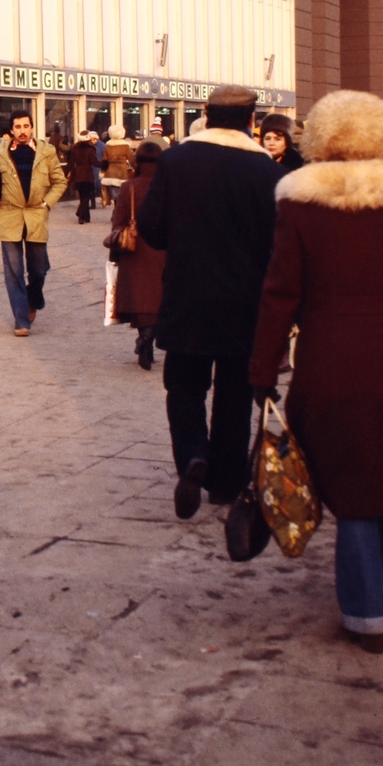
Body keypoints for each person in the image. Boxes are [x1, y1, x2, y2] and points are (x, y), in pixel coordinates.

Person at [249, 91, 383, 656]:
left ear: (317, 137)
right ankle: (376, 584)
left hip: (329, 359)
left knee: (349, 480)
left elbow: (279, 294)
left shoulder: (298, 207)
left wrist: (263, 369)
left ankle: (366, 608)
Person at [136, 85, 279, 516]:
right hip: (244, 303)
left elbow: (152, 229)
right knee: (235, 395)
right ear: (252, 120)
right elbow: (278, 244)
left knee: (183, 386)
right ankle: (225, 483)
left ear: (205, 114)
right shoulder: (266, 171)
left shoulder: (176, 160)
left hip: (186, 295)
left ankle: (193, 455)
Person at [0, 112, 67, 337]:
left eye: (26, 126)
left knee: (38, 268)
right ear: (11, 129)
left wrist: (47, 204)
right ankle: (21, 320)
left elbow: (60, 181)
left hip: (36, 215)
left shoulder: (46, 151)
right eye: (17, 127)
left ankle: (34, 296)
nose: (22, 131)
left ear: (32, 128)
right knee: (14, 271)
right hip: (10, 215)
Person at [108, 140, 166, 368]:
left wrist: (115, 251)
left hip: (136, 251)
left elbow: (118, 222)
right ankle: (147, 340)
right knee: (159, 300)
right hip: (163, 251)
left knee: (142, 301)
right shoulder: (169, 186)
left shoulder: (129, 187)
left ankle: (145, 340)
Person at [65, 130, 98, 222]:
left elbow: (71, 163)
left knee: (82, 195)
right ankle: (81, 215)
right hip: (87, 174)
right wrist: (105, 164)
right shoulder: (91, 149)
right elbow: (95, 162)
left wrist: (66, 172)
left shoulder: (75, 148)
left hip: (78, 174)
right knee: (86, 196)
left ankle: (86, 217)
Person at [101, 129, 135, 208]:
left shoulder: (108, 145)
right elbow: (131, 159)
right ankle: (119, 211)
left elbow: (105, 160)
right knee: (122, 193)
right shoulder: (125, 145)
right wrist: (135, 167)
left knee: (114, 194)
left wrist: (103, 171)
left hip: (111, 171)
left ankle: (116, 209)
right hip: (122, 171)